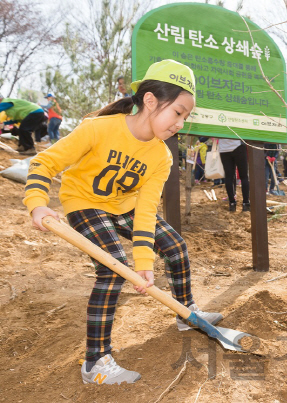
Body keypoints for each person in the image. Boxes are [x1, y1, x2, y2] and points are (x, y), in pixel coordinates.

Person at [23, 60, 223, 385]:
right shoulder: (98, 129)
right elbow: (45, 162)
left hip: (125, 206)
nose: (181, 124)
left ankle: (187, 313)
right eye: (178, 112)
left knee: (174, 246)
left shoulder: (161, 156)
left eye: (186, 117)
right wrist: (37, 204)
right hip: (85, 202)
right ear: (150, 101)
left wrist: (144, 261)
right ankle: (96, 361)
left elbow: (145, 210)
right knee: (114, 266)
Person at [219, 138, 250, 212]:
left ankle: (232, 203)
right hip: (238, 146)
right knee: (244, 176)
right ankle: (246, 203)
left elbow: (203, 138)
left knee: (228, 177)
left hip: (224, 149)